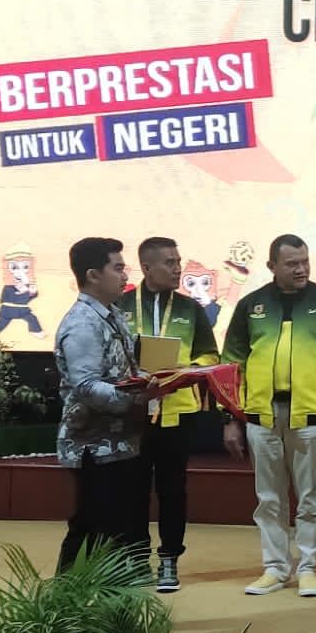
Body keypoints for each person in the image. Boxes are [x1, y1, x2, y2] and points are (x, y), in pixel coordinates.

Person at [222, 234, 316, 599]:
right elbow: (231, 366)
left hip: (312, 415)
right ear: (272, 266)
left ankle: (309, 568)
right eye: (291, 264)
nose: (301, 269)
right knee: (269, 499)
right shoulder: (251, 306)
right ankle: (275, 568)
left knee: (312, 497)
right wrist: (231, 418)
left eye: (304, 262)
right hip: (261, 417)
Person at [116, 237, 219, 593]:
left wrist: (185, 370)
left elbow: (210, 356)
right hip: (132, 412)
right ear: (147, 267)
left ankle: (170, 558)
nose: (178, 269)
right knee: (133, 489)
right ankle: (136, 558)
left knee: (173, 489)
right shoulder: (121, 305)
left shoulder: (192, 309)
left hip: (177, 411)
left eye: (178, 261)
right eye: (170, 263)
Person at [54, 237, 160, 574]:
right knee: (92, 526)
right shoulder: (82, 323)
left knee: (113, 529)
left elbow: (122, 371)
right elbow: (86, 386)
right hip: (93, 446)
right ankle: (67, 599)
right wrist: (136, 395)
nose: (125, 274)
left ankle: (105, 597)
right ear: (93, 275)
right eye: (118, 267)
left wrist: (150, 381)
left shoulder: (111, 314)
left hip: (119, 443)